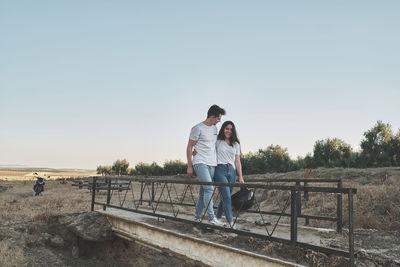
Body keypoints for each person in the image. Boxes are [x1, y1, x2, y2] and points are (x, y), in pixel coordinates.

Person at [187, 104, 226, 225]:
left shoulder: (214, 129)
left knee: (203, 192)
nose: (219, 121)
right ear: (212, 116)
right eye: (218, 118)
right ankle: (211, 218)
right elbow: (189, 147)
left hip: (212, 163)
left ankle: (197, 218)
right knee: (209, 188)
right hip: (200, 162)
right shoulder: (197, 128)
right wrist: (189, 166)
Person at [214, 121, 244, 228]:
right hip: (220, 170)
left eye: (231, 129)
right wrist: (196, 151)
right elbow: (207, 149)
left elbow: (237, 161)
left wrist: (240, 176)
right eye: (227, 128)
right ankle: (231, 222)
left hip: (232, 171)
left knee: (225, 197)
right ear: (223, 129)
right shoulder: (217, 141)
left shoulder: (236, 144)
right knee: (226, 196)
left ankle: (216, 218)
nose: (229, 131)